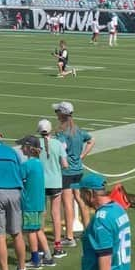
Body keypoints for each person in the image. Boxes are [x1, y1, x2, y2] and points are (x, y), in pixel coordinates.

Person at [54, 101, 95, 244]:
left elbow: (60, 151)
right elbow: (91, 140)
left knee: (68, 203)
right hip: (78, 170)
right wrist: (83, 155)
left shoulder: (62, 133)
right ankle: (88, 230)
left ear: (62, 114)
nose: (56, 114)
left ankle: (69, 236)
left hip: (67, 172)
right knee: (80, 200)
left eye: (57, 111)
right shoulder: (77, 129)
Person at [19, 135, 54, 269]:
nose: (21, 148)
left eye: (23, 146)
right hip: (39, 202)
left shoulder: (27, 165)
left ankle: (35, 259)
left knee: (30, 231)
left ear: (28, 148)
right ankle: (48, 256)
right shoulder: (39, 163)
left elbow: (19, 179)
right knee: (38, 229)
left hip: (29, 203)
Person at [37, 117, 68, 258]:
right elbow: (65, 165)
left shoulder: (36, 144)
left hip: (41, 183)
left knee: (41, 215)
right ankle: (57, 246)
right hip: (55, 182)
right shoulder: (57, 144)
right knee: (56, 214)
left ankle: (41, 246)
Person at [0, 133, 27, 270]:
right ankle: (22, 269)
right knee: (17, 233)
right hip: (15, 192)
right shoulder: (11, 151)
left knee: (0, 235)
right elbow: (21, 173)